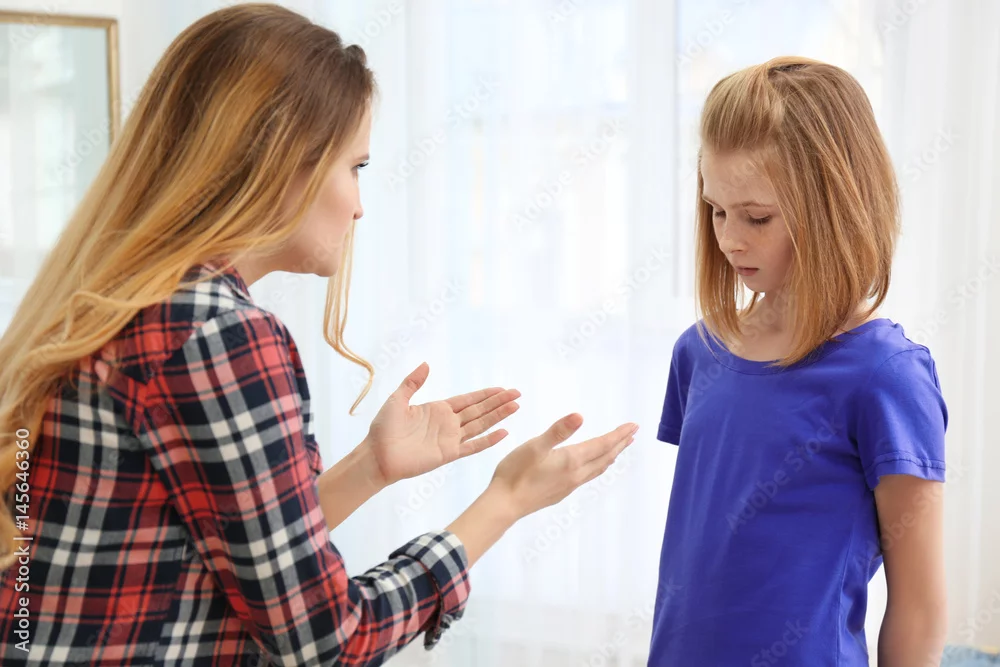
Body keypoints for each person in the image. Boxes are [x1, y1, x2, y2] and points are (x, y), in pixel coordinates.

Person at [0, 5, 638, 665]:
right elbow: (327, 640)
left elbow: (219, 564)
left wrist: (370, 467)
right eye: (355, 166)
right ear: (281, 161)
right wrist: (503, 503)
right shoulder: (219, 334)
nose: (360, 206)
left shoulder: (118, 301)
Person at [648, 56, 948, 666]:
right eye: (716, 210)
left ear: (833, 207)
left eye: (757, 217)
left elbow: (919, 606)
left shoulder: (885, 375)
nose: (729, 238)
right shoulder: (697, 354)